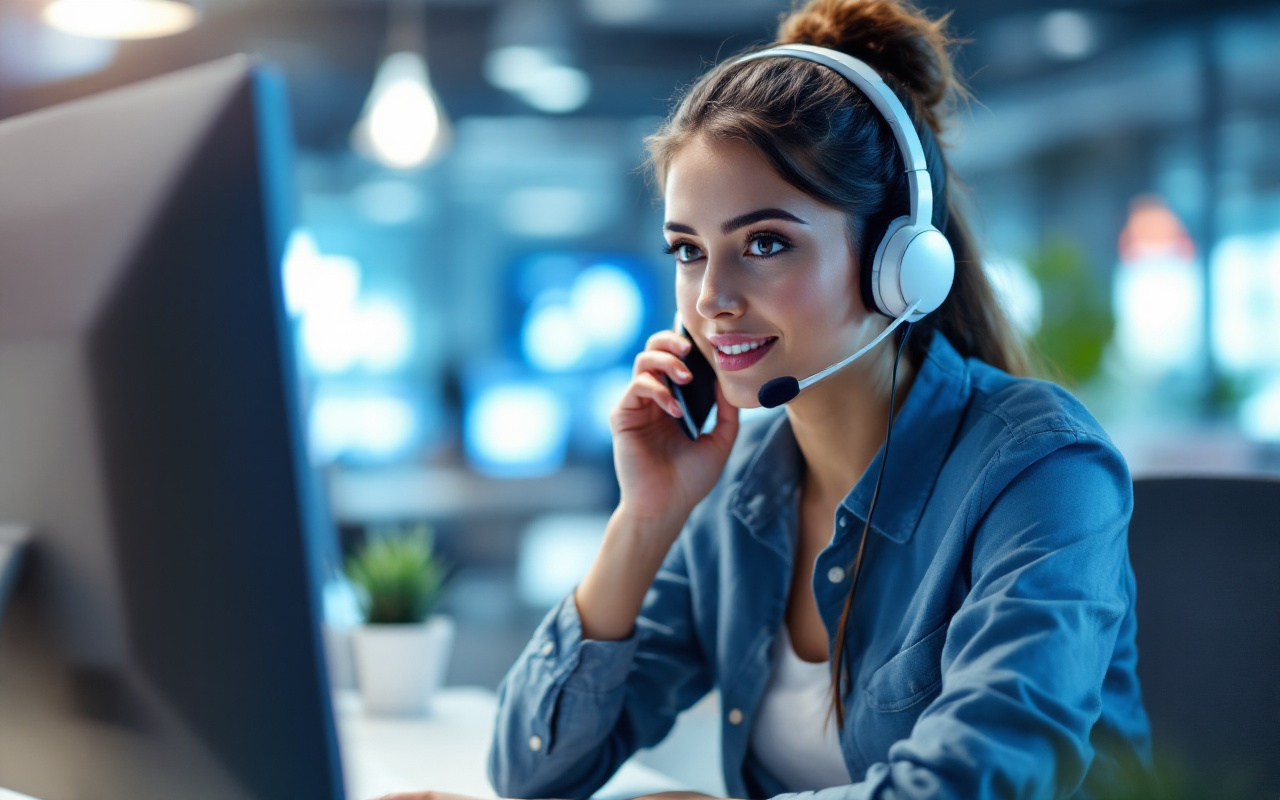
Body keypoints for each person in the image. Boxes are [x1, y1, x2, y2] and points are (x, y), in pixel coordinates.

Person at [377, 1, 1151, 799]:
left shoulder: (1042, 470)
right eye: (688, 251)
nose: (712, 298)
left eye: (765, 243)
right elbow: (533, 771)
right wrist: (644, 519)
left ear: (898, 264)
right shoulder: (741, 491)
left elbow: (978, 782)